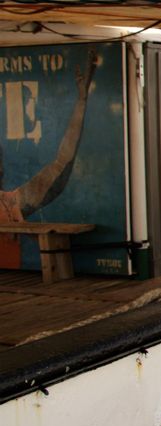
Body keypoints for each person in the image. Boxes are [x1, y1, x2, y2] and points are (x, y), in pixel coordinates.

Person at [1, 50, 97, 269]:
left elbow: (63, 161)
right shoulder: (13, 202)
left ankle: (82, 98)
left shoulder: (13, 200)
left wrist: (82, 101)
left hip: (20, 279)